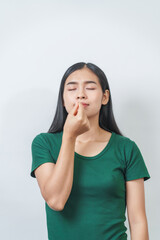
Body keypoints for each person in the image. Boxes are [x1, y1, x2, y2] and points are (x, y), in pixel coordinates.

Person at [30, 62, 151, 240]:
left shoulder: (126, 148)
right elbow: (56, 201)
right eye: (72, 89)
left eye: (90, 87)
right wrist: (69, 136)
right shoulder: (44, 143)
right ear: (63, 100)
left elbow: (138, 221)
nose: (80, 95)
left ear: (104, 97)